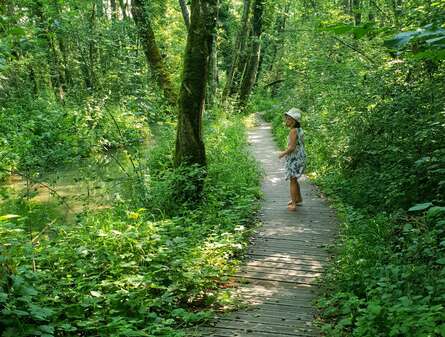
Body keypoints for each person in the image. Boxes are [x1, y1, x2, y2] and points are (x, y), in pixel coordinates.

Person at [278, 108, 306, 211]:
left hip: (295, 158)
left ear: (293, 121)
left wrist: (282, 153)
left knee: (292, 180)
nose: (285, 121)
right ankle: (298, 199)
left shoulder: (293, 131)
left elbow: (292, 147)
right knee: (294, 179)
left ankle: (294, 204)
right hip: (300, 157)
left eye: (288, 119)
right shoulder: (299, 129)